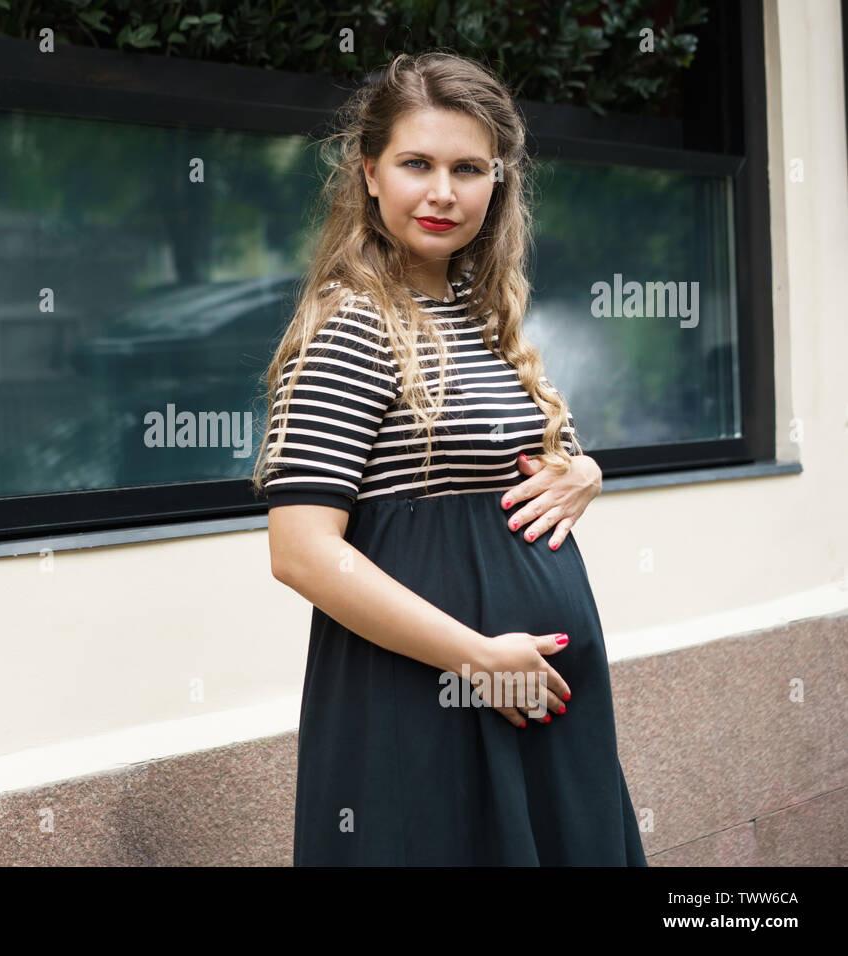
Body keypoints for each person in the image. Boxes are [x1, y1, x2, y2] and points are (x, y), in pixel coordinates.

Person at [251, 51, 648, 866]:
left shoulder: (481, 316)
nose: (443, 192)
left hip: (531, 697)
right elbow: (300, 552)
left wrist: (587, 472)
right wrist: (478, 659)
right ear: (368, 174)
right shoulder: (353, 328)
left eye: (469, 168)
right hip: (431, 696)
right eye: (416, 164)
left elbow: (542, 458)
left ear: (497, 182)